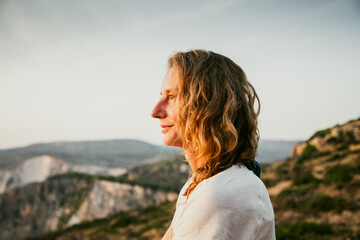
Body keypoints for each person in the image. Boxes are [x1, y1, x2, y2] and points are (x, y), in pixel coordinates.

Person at [151, 50, 275, 240]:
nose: (155, 111)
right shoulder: (201, 183)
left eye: (172, 96)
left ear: (209, 105)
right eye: (162, 96)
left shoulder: (219, 193)